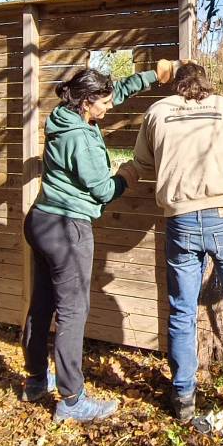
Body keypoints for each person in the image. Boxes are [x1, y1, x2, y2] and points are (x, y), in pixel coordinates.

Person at [118, 62, 223, 431]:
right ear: (206, 82)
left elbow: (142, 162)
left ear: (176, 85)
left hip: (181, 220)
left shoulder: (157, 113)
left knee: (181, 312)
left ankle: (184, 398)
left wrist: (115, 184)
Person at [21, 59, 177, 423]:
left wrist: (156, 75)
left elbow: (116, 92)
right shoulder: (79, 138)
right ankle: (72, 399)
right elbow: (103, 190)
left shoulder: (63, 115)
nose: (109, 107)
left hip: (41, 220)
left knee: (42, 303)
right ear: (87, 101)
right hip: (67, 229)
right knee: (73, 312)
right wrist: (127, 174)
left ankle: (34, 381)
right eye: (103, 103)